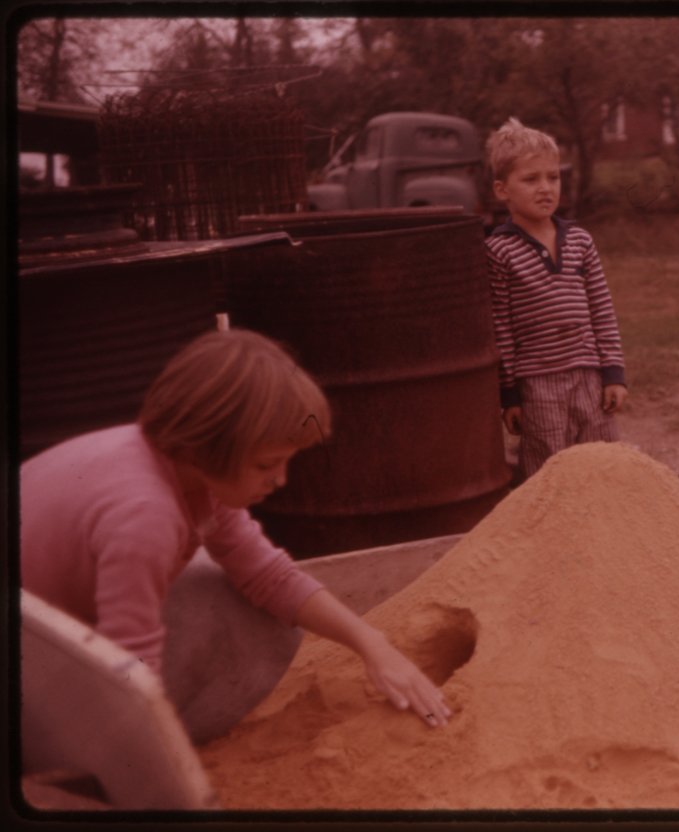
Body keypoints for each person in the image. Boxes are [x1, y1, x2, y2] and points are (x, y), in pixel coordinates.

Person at [20, 328, 452, 743]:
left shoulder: (186, 472)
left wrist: (373, 645)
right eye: (266, 465)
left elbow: (269, 575)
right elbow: (130, 664)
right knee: (220, 616)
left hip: (50, 625)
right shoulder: (144, 515)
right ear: (207, 449)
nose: (280, 480)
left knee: (248, 604)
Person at [484, 117, 628, 481]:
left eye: (553, 177)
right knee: (549, 470)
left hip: (589, 375)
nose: (545, 188)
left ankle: (603, 515)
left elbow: (602, 309)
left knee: (604, 461)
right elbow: (501, 327)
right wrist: (509, 394)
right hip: (538, 382)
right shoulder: (499, 251)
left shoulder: (580, 240)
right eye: (531, 179)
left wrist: (613, 372)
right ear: (502, 190)